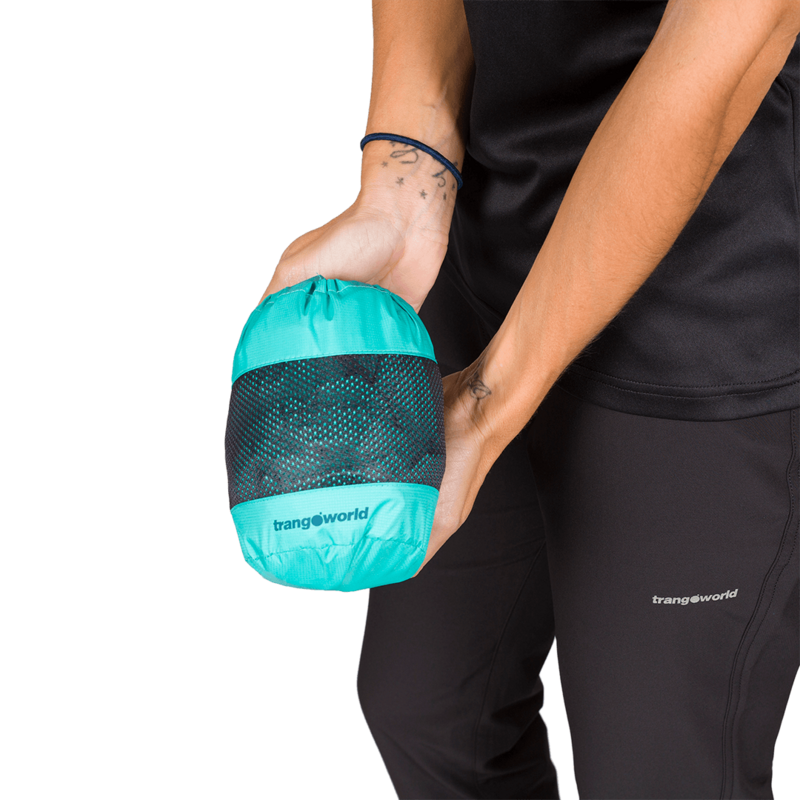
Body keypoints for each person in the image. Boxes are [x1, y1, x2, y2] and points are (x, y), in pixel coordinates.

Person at [261, 1, 800, 797]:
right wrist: (404, 185)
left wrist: (489, 404)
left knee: (657, 779)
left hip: (704, 322)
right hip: (487, 253)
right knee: (434, 714)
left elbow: (723, 59)